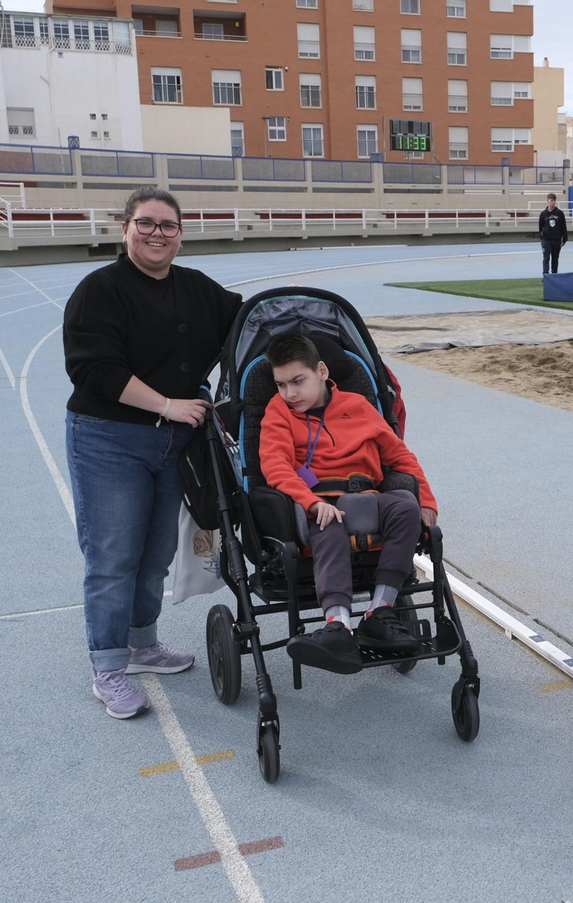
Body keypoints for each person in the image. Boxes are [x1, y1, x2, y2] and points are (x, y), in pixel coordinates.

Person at [63, 187, 243, 720]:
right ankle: (108, 667)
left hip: (175, 442)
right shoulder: (100, 290)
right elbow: (94, 370)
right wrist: (167, 404)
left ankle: (142, 644)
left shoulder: (195, 288)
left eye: (167, 225)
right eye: (146, 223)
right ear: (125, 228)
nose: (156, 233)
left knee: (157, 554)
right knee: (114, 555)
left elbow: (244, 321)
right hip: (109, 439)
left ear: (180, 234)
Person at [258, 334, 439, 674]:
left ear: (322, 371)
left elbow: (400, 457)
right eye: (281, 384)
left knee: (406, 507)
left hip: (366, 497)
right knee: (329, 522)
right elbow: (275, 465)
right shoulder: (278, 412)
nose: (289, 394)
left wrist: (426, 499)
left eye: (298, 381)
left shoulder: (358, 406)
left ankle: (379, 611)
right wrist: (311, 502)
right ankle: (338, 625)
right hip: (318, 503)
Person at [538, 192, 569, 276]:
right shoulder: (543, 214)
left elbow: (563, 227)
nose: (553, 202)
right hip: (546, 240)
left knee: (555, 258)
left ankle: (554, 275)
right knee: (546, 258)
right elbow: (540, 227)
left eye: (554, 200)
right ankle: (546, 275)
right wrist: (542, 238)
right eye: (551, 200)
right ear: (547, 201)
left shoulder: (559, 213)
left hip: (556, 240)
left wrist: (564, 239)